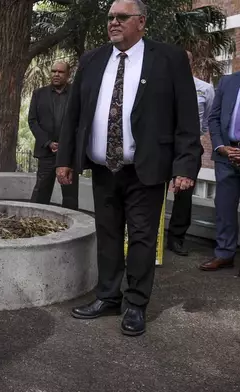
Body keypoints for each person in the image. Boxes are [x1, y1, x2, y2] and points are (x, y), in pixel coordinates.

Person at [55, 0, 201, 336]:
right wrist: (65, 159)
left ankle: (135, 303)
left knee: (141, 238)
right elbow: (74, 115)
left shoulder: (168, 59)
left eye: (122, 17)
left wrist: (186, 165)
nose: (114, 23)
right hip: (105, 167)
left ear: (141, 22)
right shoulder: (92, 60)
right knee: (107, 235)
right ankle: (108, 296)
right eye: (110, 18)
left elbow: (187, 118)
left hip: (146, 167)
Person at [166, 50, 214, 256]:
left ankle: (176, 239)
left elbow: (207, 121)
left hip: (189, 147)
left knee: (184, 196)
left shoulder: (205, 89)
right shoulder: (160, 86)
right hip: (162, 146)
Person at [199, 70, 240, 274]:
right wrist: (219, 146)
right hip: (226, 156)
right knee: (224, 208)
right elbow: (213, 118)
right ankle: (224, 254)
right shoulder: (227, 82)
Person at [28, 61, 78, 210]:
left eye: (61, 72)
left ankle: (71, 230)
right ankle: (35, 222)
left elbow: (81, 122)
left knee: (70, 194)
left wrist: (67, 144)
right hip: (46, 151)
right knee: (41, 191)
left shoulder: (77, 93)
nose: (56, 74)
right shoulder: (39, 94)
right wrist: (48, 142)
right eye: (53, 71)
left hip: (69, 153)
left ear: (68, 74)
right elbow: (32, 121)